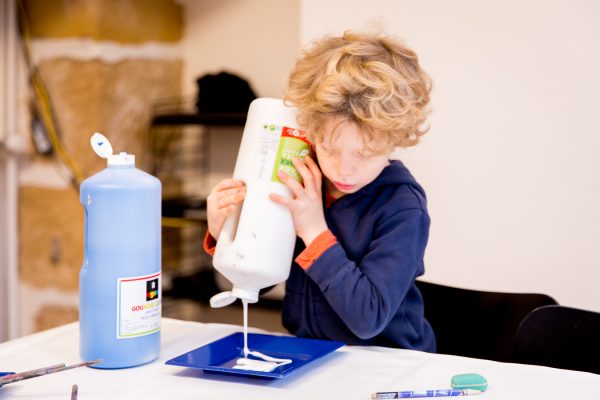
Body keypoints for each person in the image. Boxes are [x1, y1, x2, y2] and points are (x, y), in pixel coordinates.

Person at [204, 30, 435, 351]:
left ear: (396, 138)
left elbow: (368, 319)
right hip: (310, 352)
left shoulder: (402, 207)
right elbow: (266, 278)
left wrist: (314, 230)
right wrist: (226, 232)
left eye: (364, 154)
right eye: (328, 148)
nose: (343, 169)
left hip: (387, 361)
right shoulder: (305, 177)